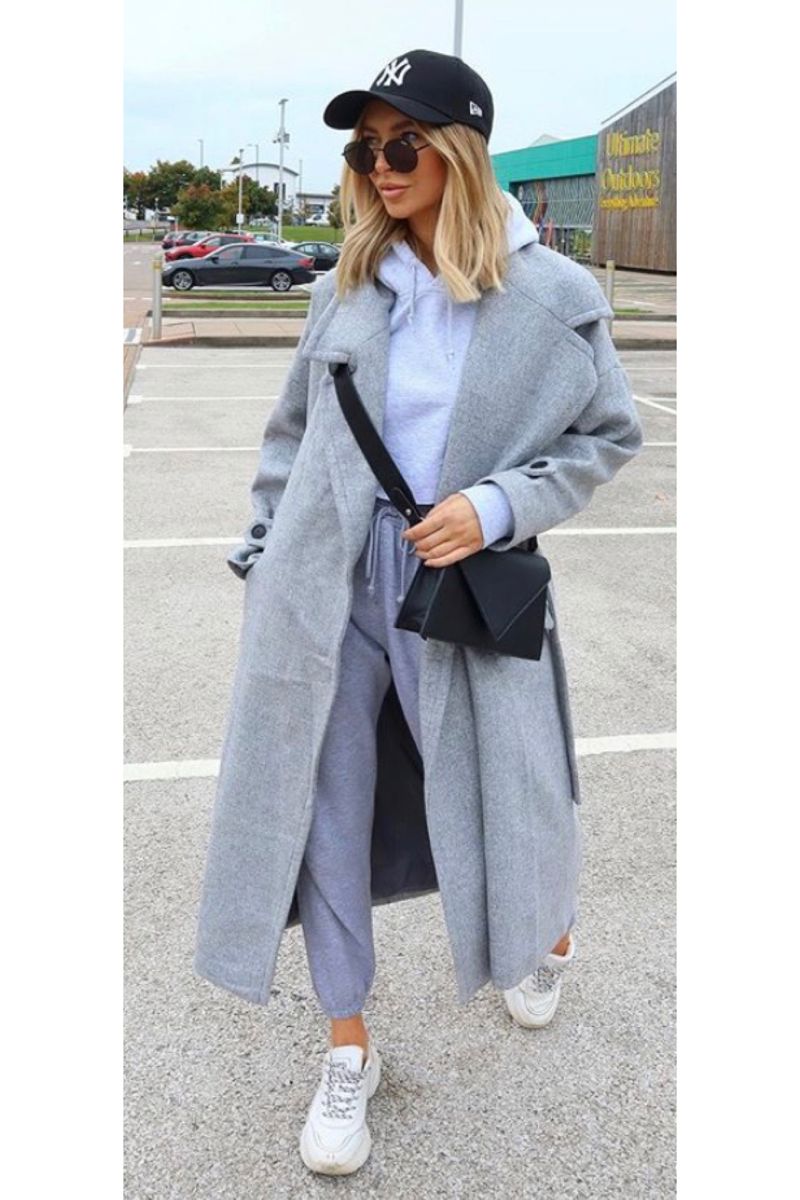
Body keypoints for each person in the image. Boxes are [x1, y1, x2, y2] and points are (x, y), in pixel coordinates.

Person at [194, 48, 643, 1177]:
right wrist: (263, 547)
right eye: (362, 150)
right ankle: (348, 1045)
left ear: (457, 151)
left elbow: (604, 439)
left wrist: (496, 504)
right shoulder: (345, 285)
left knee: (516, 788)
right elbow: (293, 437)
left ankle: (545, 931)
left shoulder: (553, 293)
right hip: (324, 590)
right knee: (323, 809)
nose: (378, 169)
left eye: (400, 147)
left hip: (462, 587)